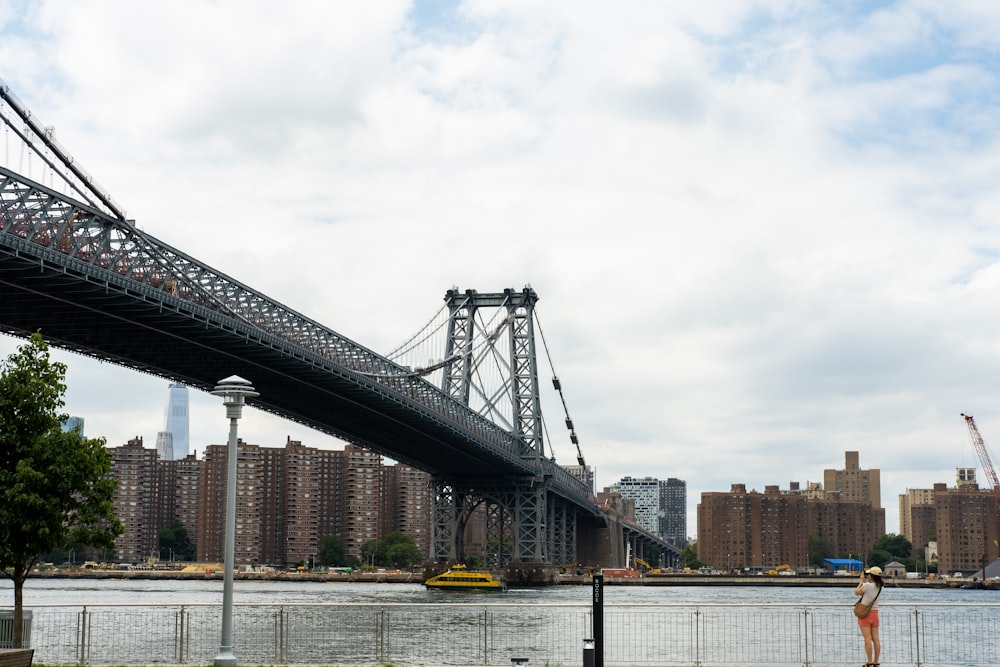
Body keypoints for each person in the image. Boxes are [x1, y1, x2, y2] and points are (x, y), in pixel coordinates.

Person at [855, 565, 884, 667]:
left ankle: (870, 662)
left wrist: (861, 581)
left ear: (871, 576)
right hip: (875, 614)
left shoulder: (867, 585)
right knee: (876, 638)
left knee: (867, 638)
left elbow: (857, 592)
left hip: (865, 615)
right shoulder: (881, 587)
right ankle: (876, 662)